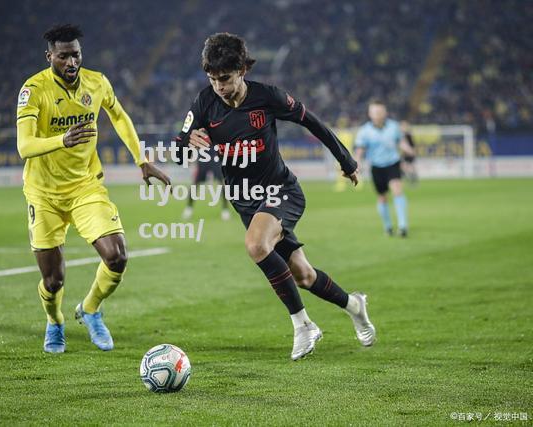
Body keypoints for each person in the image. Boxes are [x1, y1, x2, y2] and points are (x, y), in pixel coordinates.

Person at [174, 33, 376, 361]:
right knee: (304, 275)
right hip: (245, 201)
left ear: (242, 70)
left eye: (224, 78)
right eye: (212, 79)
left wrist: (347, 161)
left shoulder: (268, 97)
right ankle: (355, 305)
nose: (218, 87)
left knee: (256, 245)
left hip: (281, 191)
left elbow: (314, 123)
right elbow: (179, 148)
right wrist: (187, 143)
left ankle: (303, 325)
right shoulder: (203, 103)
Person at [16, 24, 170, 353]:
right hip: (43, 195)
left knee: (117, 256)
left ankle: (90, 309)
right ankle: (55, 320)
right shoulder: (33, 89)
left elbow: (119, 115)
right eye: (63, 56)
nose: (71, 62)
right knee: (53, 280)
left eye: (76, 55)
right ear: (50, 57)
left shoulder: (97, 82)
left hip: (86, 187)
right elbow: (24, 145)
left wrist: (141, 159)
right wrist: (62, 139)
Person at [354, 101, 414, 237]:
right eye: (375, 112)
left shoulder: (394, 127)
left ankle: (403, 226)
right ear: (370, 114)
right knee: (382, 197)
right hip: (376, 166)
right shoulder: (365, 131)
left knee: (397, 190)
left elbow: (401, 143)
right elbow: (360, 150)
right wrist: (356, 165)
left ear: (385, 112)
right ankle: (388, 226)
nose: (377, 115)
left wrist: (409, 150)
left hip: (393, 163)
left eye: (380, 112)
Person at [182, 144, 231, 221]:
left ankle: (225, 209)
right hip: (202, 157)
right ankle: (189, 208)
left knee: (222, 183)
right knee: (195, 184)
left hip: (215, 157)